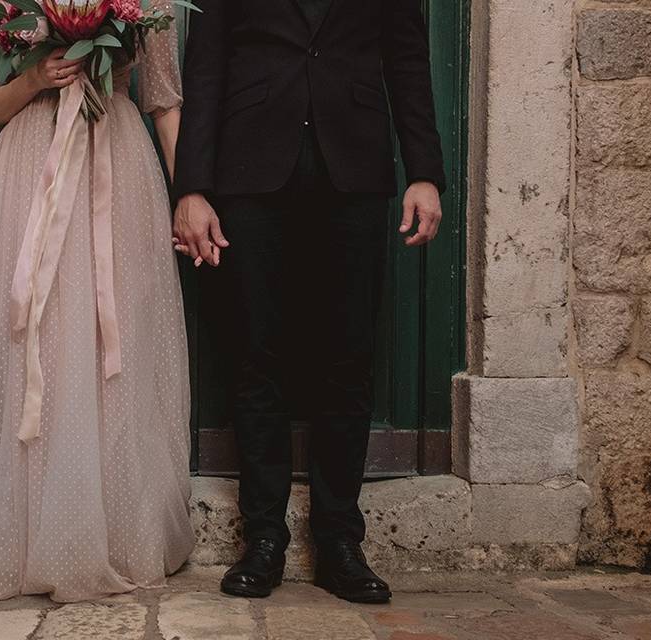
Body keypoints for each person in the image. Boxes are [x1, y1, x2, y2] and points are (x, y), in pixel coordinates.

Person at [0, 0, 194, 603]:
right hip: (31, 172)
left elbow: (163, 101)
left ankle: (103, 528)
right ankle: (22, 533)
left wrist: (187, 194)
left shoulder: (150, 8)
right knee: (35, 334)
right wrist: (36, 77)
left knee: (113, 337)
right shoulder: (18, 9)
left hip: (116, 162)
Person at [172, 0, 446, 603]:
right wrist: (192, 187)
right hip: (248, 174)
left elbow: (406, 60)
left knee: (348, 360)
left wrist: (424, 170)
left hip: (355, 176)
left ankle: (340, 542)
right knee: (255, 356)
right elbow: (207, 67)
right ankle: (263, 539)